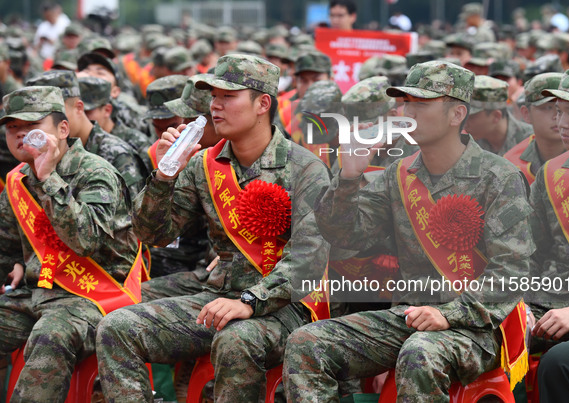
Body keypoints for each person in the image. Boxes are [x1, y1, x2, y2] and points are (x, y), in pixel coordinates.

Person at [282, 60, 534, 401]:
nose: (407, 113)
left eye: (421, 104)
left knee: (420, 353)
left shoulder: (498, 177)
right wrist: (348, 178)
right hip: (410, 316)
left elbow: (512, 271)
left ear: (457, 114)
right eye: (404, 103)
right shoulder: (399, 174)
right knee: (306, 342)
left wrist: (448, 314)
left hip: (480, 325)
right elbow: (345, 236)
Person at [95, 54, 330, 402]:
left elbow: (309, 258)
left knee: (237, 338)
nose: (214, 107)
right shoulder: (204, 165)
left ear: (263, 103)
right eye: (213, 97)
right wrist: (164, 175)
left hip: (287, 308)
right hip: (217, 300)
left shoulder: (306, 169)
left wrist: (251, 300)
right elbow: (154, 235)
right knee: (117, 328)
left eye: (227, 97)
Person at [0, 85, 141, 401]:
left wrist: (49, 179)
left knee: (52, 335)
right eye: (13, 129)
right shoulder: (17, 179)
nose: (21, 136)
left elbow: (86, 241)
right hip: (38, 292)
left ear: (63, 129)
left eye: (32, 127)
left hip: (96, 295)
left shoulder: (95, 172)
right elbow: (4, 248)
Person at [526, 68, 569, 354]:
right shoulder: (551, 174)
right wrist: (518, 304)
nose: (560, 123)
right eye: (558, 112)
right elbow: (529, 251)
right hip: (549, 300)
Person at [26, 70, 148, 198]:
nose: (44, 124)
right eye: (34, 120)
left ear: (78, 108)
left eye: (52, 114)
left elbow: (134, 214)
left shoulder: (118, 155)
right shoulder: (41, 153)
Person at [505, 72, 565, 184]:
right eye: (547, 107)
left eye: (565, 108)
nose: (557, 116)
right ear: (526, 114)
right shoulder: (510, 164)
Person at [464, 75, 532, 155]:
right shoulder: (469, 143)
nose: (464, 123)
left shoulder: (531, 141)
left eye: (471, 117)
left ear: (496, 116)